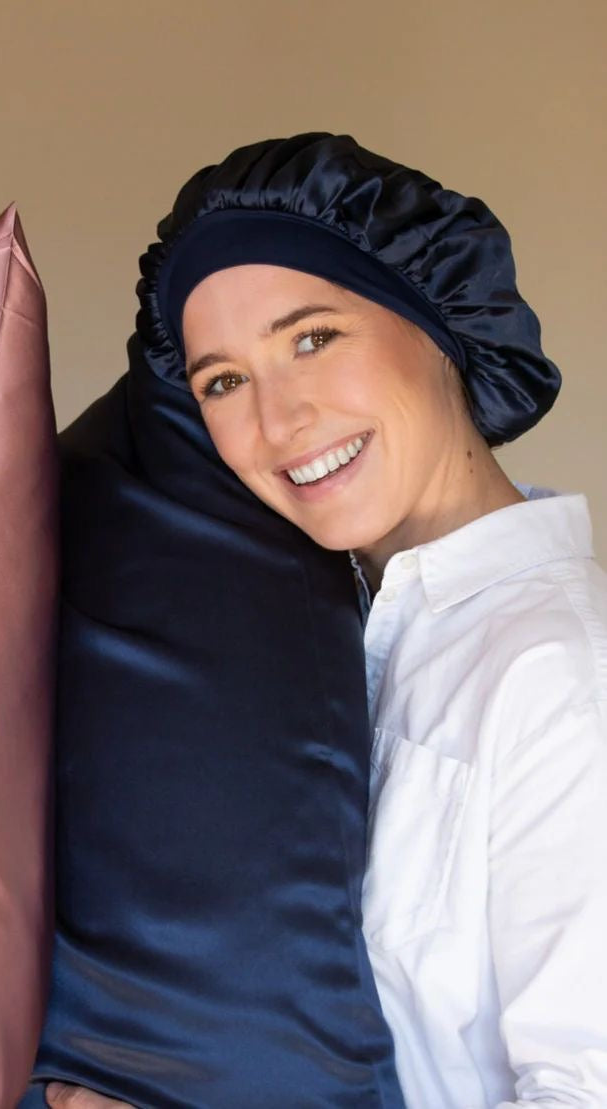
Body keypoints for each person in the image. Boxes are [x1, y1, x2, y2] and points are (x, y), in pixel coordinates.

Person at [47, 134, 607, 1108]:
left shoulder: (558, 671)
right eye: (222, 381)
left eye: (311, 339)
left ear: (434, 318)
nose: (278, 419)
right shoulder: (292, 633)